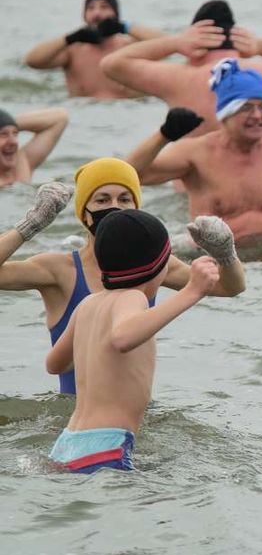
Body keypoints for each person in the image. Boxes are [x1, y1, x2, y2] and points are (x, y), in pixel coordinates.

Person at [0, 159, 245, 395]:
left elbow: (229, 288)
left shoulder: (155, 265)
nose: (114, 207)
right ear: (84, 213)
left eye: (124, 199)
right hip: (73, 412)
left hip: (136, 416)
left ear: (137, 210)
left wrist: (225, 254)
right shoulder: (59, 270)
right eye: (102, 199)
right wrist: (29, 226)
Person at [45, 209, 219, 472]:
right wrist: (191, 292)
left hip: (66, 445)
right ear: (158, 266)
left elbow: (54, 364)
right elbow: (122, 337)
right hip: (104, 446)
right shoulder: (132, 299)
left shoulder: (88, 304)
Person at [124, 60, 262, 240]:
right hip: (216, 259)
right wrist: (164, 135)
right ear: (225, 114)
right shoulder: (196, 153)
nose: (257, 115)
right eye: (246, 108)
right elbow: (130, 177)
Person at [101, 0, 262, 136]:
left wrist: (174, 43)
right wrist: (260, 46)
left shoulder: (178, 78)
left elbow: (112, 64)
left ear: (194, 44)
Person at [22, 0, 163, 99]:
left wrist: (124, 27)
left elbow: (167, 45)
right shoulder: (72, 52)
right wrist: (70, 38)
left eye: (104, 7)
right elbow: (32, 61)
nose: (97, 14)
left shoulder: (130, 48)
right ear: (84, 16)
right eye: (91, 8)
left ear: (116, 14)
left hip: (126, 111)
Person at [0, 106, 69, 187]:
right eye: (3, 134)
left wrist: (8, 122)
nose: (13, 141)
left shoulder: (20, 166)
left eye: (15, 133)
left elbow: (60, 117)